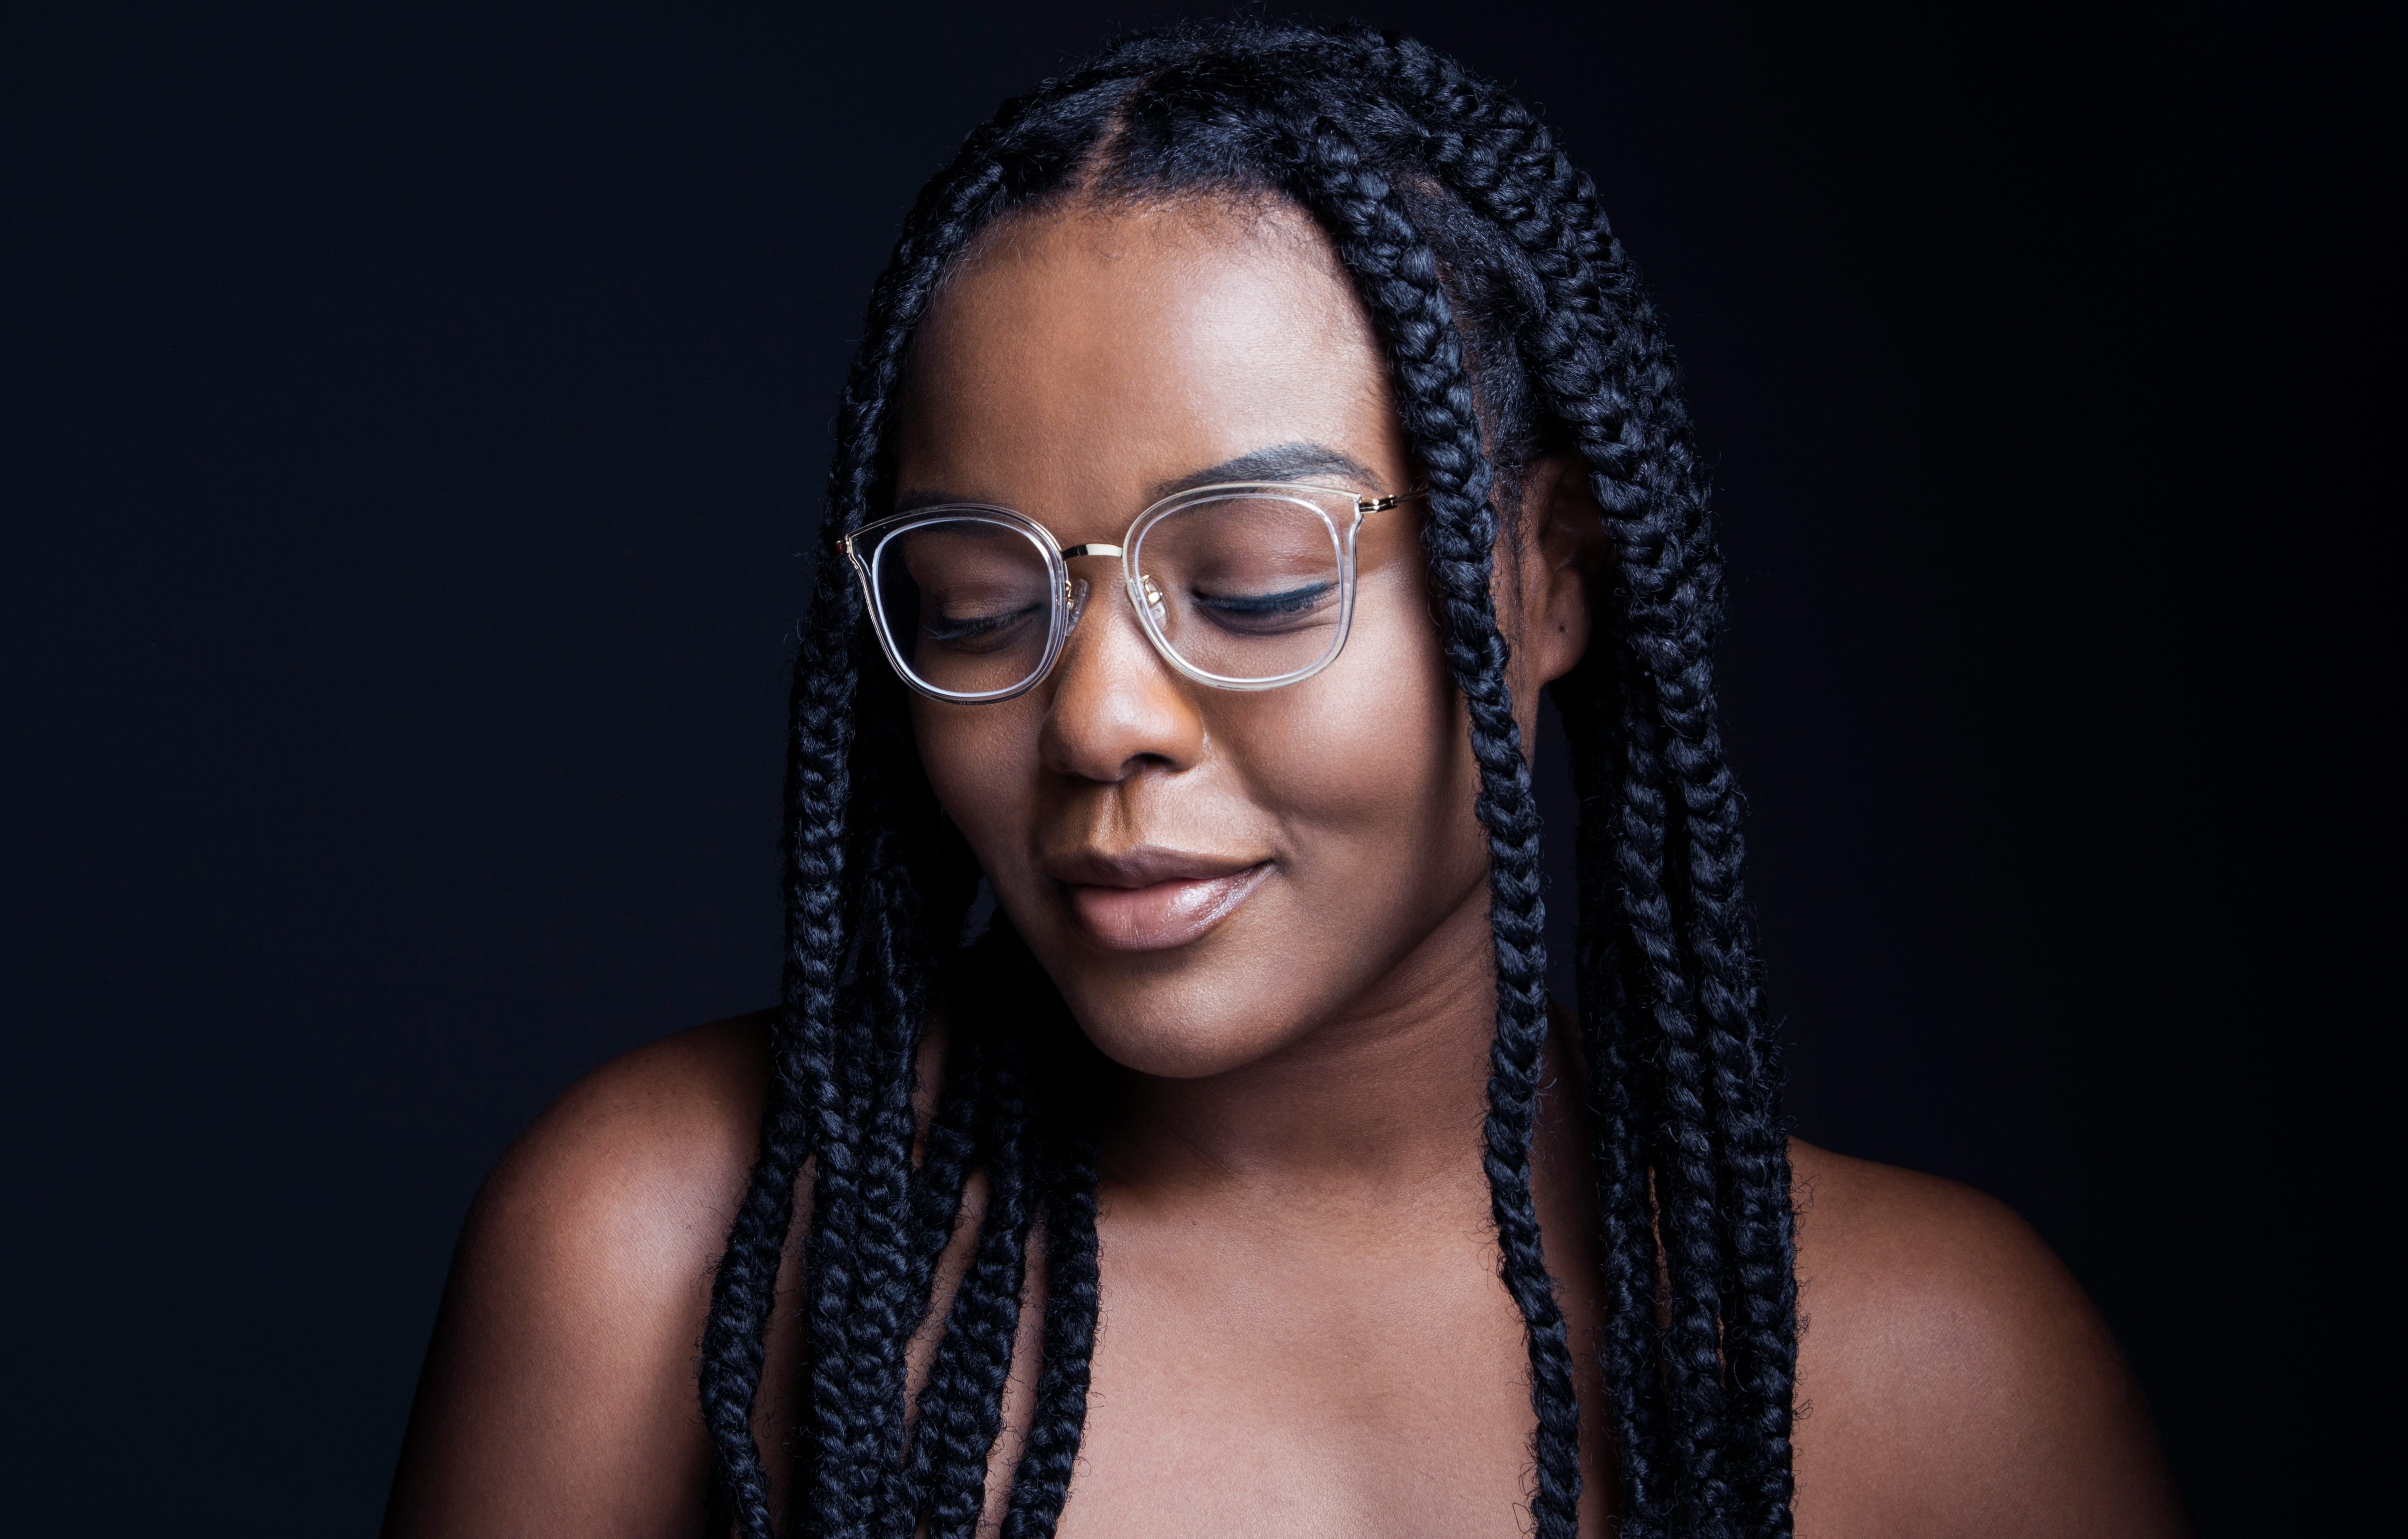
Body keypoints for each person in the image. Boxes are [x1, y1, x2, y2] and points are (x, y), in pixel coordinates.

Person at [382, 21, 2188, 1539]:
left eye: (1249, 586)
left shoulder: (1925, 1373)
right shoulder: (668, 1250)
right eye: (980, 605)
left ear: (1551, 575)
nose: (1099, 720)